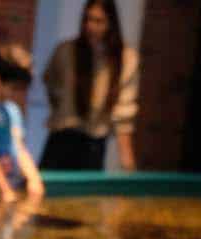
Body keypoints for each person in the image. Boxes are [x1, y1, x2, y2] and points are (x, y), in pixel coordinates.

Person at [40, 0, 139, 172]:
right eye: (87, 19)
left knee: (86, 198)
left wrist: (127, 163)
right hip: (61, 138)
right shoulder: (66, 51)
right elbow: (51, 85)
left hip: (94, 144)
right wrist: (63, 111)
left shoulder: (126, 58)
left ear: (111, 23)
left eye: (98, 21)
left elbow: (124, 113)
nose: (90, 26)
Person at [0, 44, 45, 202]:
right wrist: (4, 189)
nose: (16, 93)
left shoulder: (13, 110)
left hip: (12, 183)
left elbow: (20, 148)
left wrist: (33, 178)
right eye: (13, 88)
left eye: (20, 89)